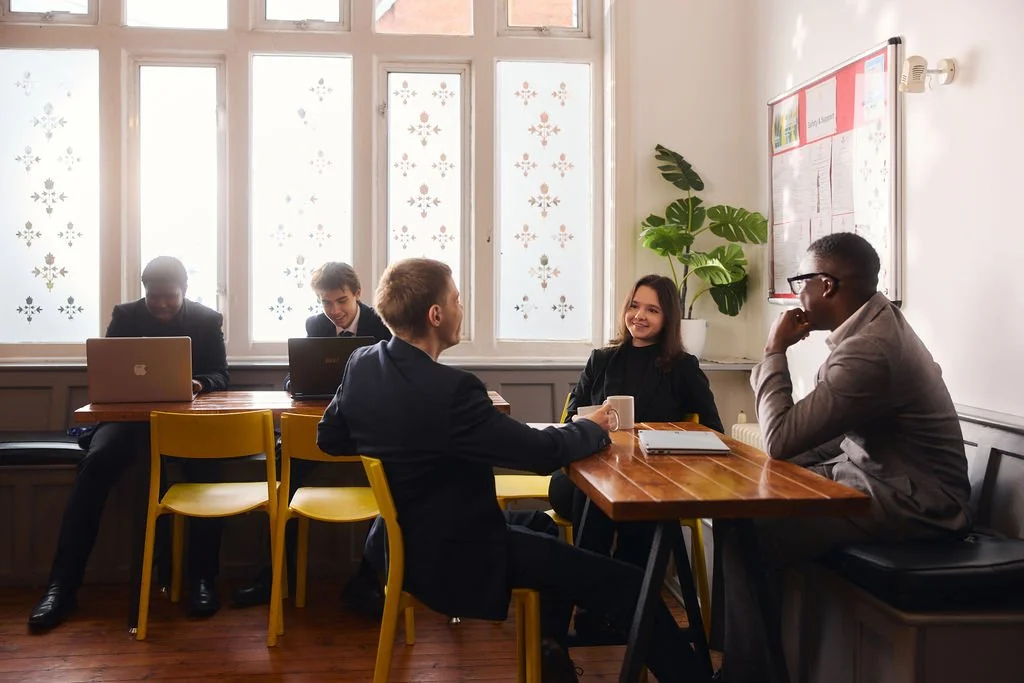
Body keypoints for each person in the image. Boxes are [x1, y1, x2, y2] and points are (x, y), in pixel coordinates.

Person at [317, 258, 709, 683]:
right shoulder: (453, 391)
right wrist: (590, 429)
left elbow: (331, 438)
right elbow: (540, 452)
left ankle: (550, 651)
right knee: (632, 584)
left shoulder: (361, 363)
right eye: (457, 300)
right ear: (436, 315)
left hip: (401, 541)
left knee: (542, 525)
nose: (461, 308)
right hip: (455, 553)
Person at [718, 232, 972, 682]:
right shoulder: (875, 329)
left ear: (827, 285)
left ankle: (748, 674)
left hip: (916, 506)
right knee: (749, 506)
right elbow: (818, 437)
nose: (798, 295)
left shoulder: (869, 350)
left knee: (746, 528)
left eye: (801, 281)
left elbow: (780, 437)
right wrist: (773, 469)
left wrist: (773, 350)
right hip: (884, 484)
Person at [28, 256, 230, 632]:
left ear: (184, 291)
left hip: (185, 422)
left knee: (208, 473)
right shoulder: (125, 315)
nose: (162, 305)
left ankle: (202, 581)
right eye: (155, 297)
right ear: (144, 293)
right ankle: (62, 586)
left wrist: (198, 384)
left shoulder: (206, 320)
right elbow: (105, 368)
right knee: (94, 467)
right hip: (127, 422)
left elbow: (221, 374)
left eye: (170, 297)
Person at [547, 275, 722, 636]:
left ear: (667, 317)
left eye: (652, 309)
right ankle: (613, 602)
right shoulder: (603, 360)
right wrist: (592, 422)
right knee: (595, 495)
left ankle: (601, 603)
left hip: (651, 481)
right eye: (634, 305)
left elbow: (713, 429)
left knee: (631, 505)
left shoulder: (682, 367)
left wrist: (663, 437)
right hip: (585, 476)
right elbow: (569, 419)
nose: (639, 316)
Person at [233, 262, 392, 615]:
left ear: (358, 294)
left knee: (390, 487)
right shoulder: (316, 325)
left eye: (341, 301)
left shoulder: (383, 323)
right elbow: (306, 375)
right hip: (327, 427)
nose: (334, 311)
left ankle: (370, 582)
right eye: (326, 303)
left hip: (373, 427)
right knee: (282, 479)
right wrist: (297, 381)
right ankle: (275, 576)